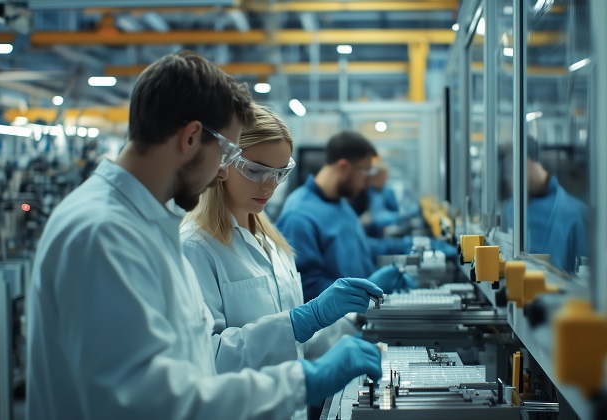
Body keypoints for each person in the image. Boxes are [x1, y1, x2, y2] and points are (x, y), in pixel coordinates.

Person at [26, 51, 382, 420]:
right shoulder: (103, 233)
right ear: (192, 137)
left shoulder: (145, 225)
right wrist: (300, 382)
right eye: (227, 152)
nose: (223, 172)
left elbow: (190, 363)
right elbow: (150, 402)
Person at [180, 103, 376, 419]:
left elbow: (297, 347)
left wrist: (348, 323)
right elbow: (208, 358)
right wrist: (299, 321)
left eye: (280, 173)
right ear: (223, 162)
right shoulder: (196, 247)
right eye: (256, 170)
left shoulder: (272, 240)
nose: (270, 186)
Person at [276, 131, 423, 303]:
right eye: (365, 172)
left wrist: (405, 246)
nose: (368, 181)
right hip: (337, 327)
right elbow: (307, 288)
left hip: (361, 311)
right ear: (343, 167)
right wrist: (364, 290)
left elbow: (357, 247)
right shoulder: (299, 216)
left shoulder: (340, 203)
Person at [502, 136, 588, 273]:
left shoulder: (576, 214)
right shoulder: (510, 210)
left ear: (526, 161)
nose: (509, 181)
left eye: (511, 171)